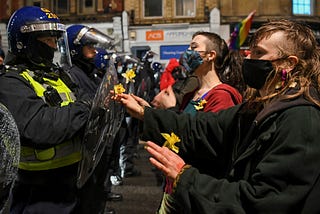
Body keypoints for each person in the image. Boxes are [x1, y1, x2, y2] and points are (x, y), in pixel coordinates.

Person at [115, 19, 320, 213]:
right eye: (250, 51)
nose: (248, 58)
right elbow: (203, 127)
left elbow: (262, 202)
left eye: (259, 53)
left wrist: (184, 177)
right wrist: (146, 114)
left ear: (288, 64)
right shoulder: (259, 106)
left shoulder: (301, 120)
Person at [0, 6, 104, 214]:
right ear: (25, 42)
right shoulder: (10, 82)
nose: (54, 47)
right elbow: (40, 127)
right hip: (39, 189)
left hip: (74, 178)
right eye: (48, 40)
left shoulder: (57, 75)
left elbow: (85, 97)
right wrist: (84, 109)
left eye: (56, 40)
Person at [148, 31, 245, 212]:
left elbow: (207, 144)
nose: (187, 52)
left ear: (210, 55)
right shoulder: (191, 94)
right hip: (177, 185)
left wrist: (171, 110)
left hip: (197, 190)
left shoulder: (222, 96)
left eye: (194, 47)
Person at [66, 24, 123, 213]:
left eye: (94, 45)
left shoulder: (89, 72)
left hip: (99, 139)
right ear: (76, 48)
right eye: (88, 45)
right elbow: (80, 101)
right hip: (85, 144)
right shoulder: (71, 73)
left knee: (96, 192)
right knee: (87, 197)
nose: (94, 49)